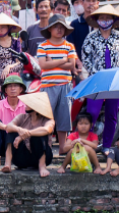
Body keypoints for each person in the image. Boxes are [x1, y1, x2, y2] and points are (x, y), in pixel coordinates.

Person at [81, 5, 119, 152]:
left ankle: (107, 146)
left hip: (115, 82)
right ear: (97, 20)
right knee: (92, 113)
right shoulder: (91, 37)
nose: (105, 20)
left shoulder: (118, 37)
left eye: (108, 18)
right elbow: (86, 57)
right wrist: (95, 73)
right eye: (102, 18)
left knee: (111, 114)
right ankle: (86, 145)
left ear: (113, 19)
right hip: (96, 81)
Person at [36, 14, 76, 152]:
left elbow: (72, 65)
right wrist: (63, 60)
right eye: (56, 27)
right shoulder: (43, 46)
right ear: (50, 29)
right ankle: (46, 147)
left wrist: (51, 62)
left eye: (62, 27)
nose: (59, 30)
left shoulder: (69, 46)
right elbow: (43, 65)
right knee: (47, 117)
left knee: (64, 117)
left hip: (65, 85)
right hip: (48, 86)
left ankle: (62, 147)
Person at [2, 91, 55, 177]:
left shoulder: (48, 120)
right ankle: (7, 164)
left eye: (29, 103)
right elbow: (8, 126)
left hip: (42, 156)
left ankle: (42, 166)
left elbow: (47, 129)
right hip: (23, 157)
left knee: (39, 135)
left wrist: (27, 134)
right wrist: (19, 130)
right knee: (11, 133)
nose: (25, 104)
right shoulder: (22, 117)